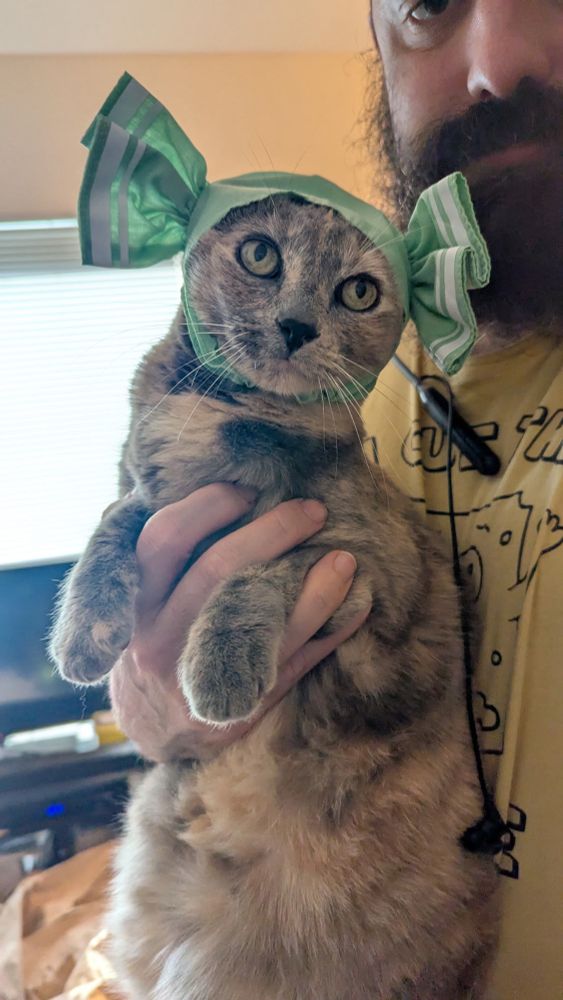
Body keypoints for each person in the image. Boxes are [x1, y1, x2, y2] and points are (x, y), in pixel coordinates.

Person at [110, 2, 563, 995]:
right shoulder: (336, 367)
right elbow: (166, 702)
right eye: (427, 8)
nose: (488, 64)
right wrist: (157, 701)